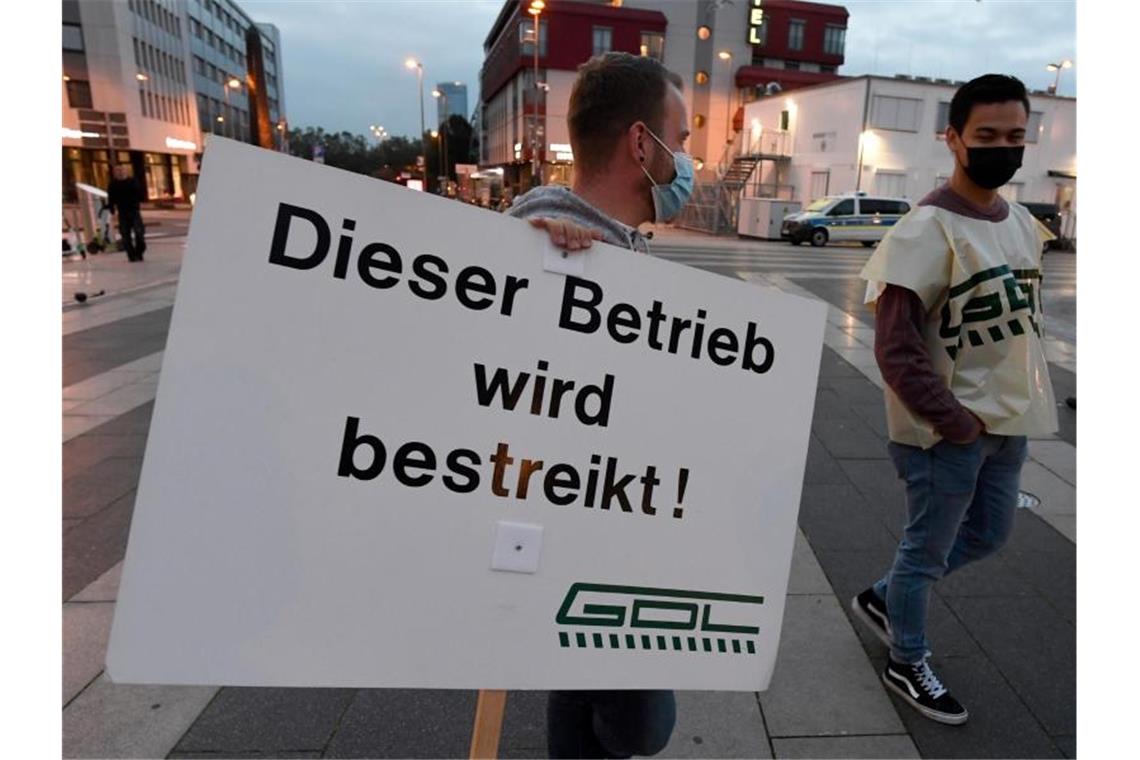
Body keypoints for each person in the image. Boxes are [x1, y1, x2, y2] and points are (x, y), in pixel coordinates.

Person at [851, 74, 1058, 726]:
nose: (1003, 148)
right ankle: (905, 657)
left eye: (1016, 136)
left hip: (1008, 421)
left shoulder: (1023, 223)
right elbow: (897, 350)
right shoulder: (925, 231)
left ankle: (888, 599)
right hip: (944, 432)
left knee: (991, 533)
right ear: (953, 139)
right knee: (926, 550)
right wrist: (955, 422)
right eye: (987, 136)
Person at [507, 51, 692, 758]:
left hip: (603, 514)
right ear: (642, 143)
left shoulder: (616, 247)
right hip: (582, 528)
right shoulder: (548, 242)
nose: (685, 164)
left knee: (586, 695)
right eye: (679, 142)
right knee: (640, 722)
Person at [106, 164, 147, 262]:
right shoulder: (113, 184)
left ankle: (139, 252)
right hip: (122, 212)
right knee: (125, 234)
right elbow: (111, 198)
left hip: (134, 210)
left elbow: (140, 194)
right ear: (114, 172)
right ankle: (131, 255)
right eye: (117, 170)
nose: (119, 172)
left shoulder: (132, 181)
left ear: (125, 171)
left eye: (121, 170)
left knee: (139, 232)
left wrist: (137, 201)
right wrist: (112, 210)